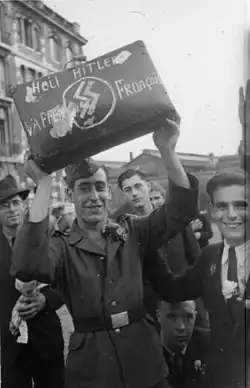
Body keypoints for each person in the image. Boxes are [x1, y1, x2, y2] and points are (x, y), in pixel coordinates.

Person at [11, 119, 199, 388]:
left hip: (144, 361)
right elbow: (28, 266)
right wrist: (42, 184)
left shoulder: (133, 230)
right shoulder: (61, 244)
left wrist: (167, 150)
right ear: (70, 194)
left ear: (110, 193)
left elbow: (180, 211)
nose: (94, 196)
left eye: (100, 188)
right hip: (93, 368)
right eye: (84, 188)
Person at [146, 171, 250, 388]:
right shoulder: (211, 256)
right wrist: (146, 246)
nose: (231, 214)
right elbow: (173, 290)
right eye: (222, 206)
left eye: (241, 205)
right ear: (212, 211)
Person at [0, 174, 65, 388]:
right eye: (4, 205)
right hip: (10, 341)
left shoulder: (45, 240)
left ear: (24, 206)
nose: (11, 209)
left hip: (45, 335)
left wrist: (45, 299)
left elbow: (64, 281)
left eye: (16, 203)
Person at [159, 300, 209, 388]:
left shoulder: (210, 345)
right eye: (172, 317)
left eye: (188, 317)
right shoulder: (145, 352)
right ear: (158, 316)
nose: (181, 327)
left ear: (195, 316)